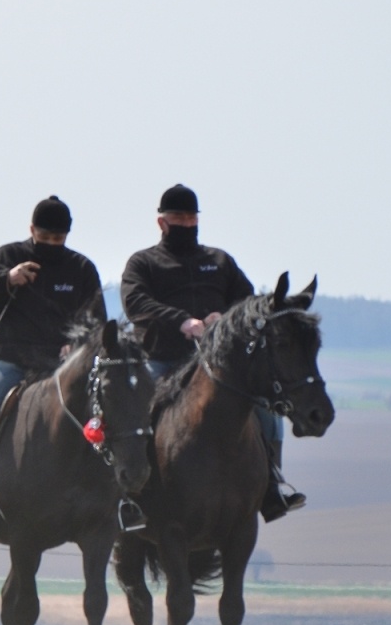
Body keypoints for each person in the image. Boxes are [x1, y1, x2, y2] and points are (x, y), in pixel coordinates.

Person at [121, 183, 305, 520]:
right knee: (135, 412)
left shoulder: (219, 261)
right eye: (178, 217)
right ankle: (129, 495)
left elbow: (247, 302)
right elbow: (136, 303)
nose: (186, 223)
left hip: (217, 367)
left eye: (191, 217)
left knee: (267, 411)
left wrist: (226, 316)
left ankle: (273, 485)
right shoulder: (143, 263)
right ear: (161, 221)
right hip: (162, 360)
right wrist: (182, 321)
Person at [0, 196, 106, 531]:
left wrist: (77, 347)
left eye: (58, 239)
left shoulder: (81, 269)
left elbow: (98, 325)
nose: (51, 244)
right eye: (45, 238)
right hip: (11, 361)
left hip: (62, 367)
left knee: (109, 413)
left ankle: (117, 497)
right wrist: (6, 280)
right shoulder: (9, 256)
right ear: (31, 229)